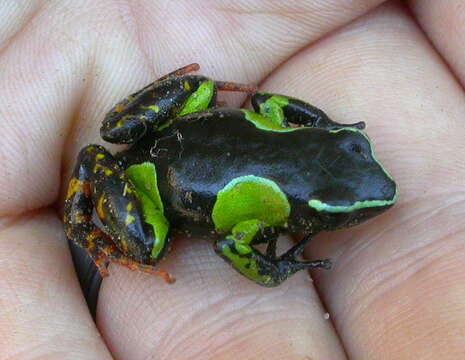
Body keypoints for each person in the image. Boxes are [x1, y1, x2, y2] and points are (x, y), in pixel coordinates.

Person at [1, 1, 464, 359]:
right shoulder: (264, 199)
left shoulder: (283, 121)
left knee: (201, 91)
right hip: (150, 185)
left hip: (180, 135)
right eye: (340, 207)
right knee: (149, 244)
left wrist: (322, 128)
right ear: (307, 210)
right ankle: (85, 229)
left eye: (347, 143)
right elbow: (231, 245)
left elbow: (269, 106)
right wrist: (275, 270)